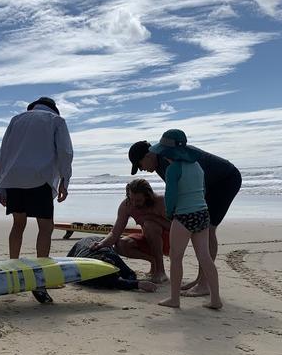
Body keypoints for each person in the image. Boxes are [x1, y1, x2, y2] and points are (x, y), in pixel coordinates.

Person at [129, 137, 241, 297]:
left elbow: (180, 190)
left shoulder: (167, 160)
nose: (141, 169)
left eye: (139, 165)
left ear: (147, 156)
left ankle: (204, 284)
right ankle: (200, 280)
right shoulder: (161, 161)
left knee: (208, 230)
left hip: (225, 180)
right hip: (206, 185)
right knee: (203, 230)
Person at [0, 96, 73, 303]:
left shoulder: (17, 119)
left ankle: (12, 270)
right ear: (53, 108)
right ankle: (41, 278)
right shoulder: (56, 121)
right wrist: (65, 180)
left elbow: (3, 153)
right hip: (40, 179)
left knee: (18, 225)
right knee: (45, 227)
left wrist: (1, 185)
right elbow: (65, 152)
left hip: (13, 178)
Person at [148, 130, 222, 309]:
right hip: (202, 214)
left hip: (183, 216)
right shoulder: (197, 166)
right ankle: (215, 299)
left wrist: (169, 213)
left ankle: (174, 299)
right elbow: (202, 190)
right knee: (205, 257)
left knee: (176, 257)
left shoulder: (173, 169)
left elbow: (170, 195)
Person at [90, 179, 170, 283]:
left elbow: (176, 227)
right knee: (120, 244)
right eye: (132, 199)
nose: (134, 203)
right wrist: (101, 244)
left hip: (169, 243)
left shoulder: (160, 202)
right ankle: (153, 261)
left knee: (150, 224)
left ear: (147, 196)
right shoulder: (127, 205)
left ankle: (161, 271)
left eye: (138, 201)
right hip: (148, 241)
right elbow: (115, 233)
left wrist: (151, 217)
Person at [70, 236, 157, 292]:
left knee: (123, 270)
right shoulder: (84, 273)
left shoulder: (112, 257)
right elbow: (114, 283)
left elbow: (130, 273)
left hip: (98, 242)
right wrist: (137, 284)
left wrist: (134, 282)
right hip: (80, 245)